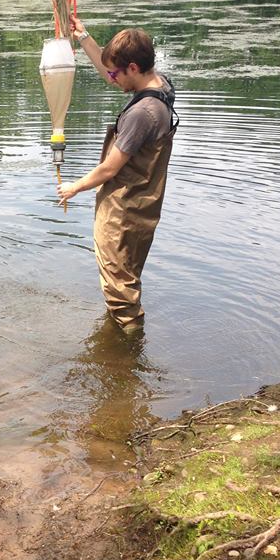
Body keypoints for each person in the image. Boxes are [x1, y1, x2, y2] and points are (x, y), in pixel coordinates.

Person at [57, 19, 178, 333]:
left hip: (124, 212)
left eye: (116, 74)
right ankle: (122, 339)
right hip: (143, 205)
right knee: (125, 279)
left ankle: (128, 352)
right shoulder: (161, 87)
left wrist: (73, 187)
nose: (111, 79)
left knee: (120, 289)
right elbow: (111, 71)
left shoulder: (142, 114)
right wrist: (83, 36)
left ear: (133, 68)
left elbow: (110, 168)